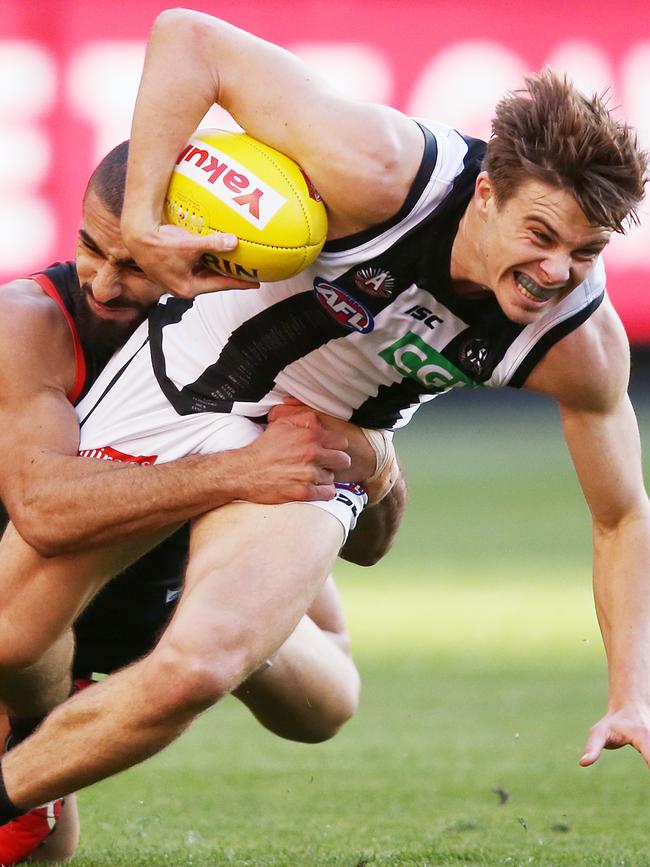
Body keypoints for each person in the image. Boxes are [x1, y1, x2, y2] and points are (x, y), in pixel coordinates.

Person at [0, 5, 647, 853]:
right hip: (177, 386)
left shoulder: (579, 342)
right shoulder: (383, 168)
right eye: (541, 234)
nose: (557, 271)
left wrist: (631, 689)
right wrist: (150, 218)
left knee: (205, 671)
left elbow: (621, 514)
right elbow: (188, 38)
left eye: (588, 252)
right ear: (486, 193)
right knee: (13, 634)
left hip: (316, 449)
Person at [0, 140, 403, 862]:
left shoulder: (266, 335)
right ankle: (34, 725)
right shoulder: (31, 321)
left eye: (137, 264)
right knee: (14, 643)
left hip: (177, 599)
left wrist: (377, 463)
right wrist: (240, 468)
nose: (103, 282)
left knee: (327, 706)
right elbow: (42, 510)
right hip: (35, 604)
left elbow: (371, 546)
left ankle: (199, 629)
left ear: (216, 264)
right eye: (92, 248)